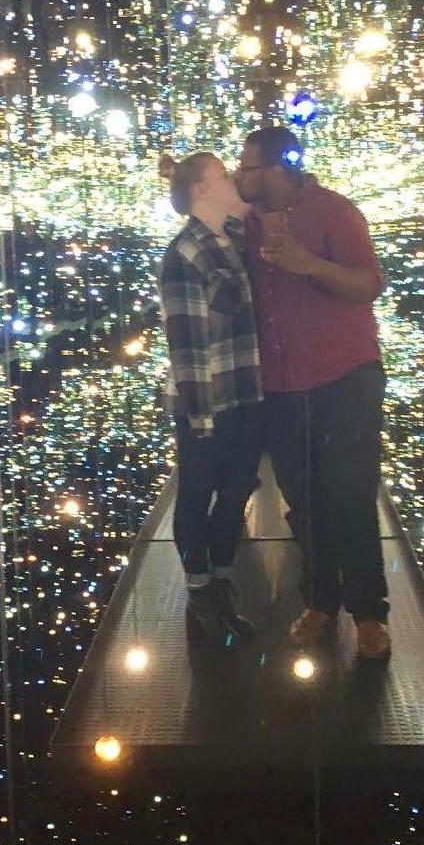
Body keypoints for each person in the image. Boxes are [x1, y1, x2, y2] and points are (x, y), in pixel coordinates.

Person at [235, 126, 391, 660]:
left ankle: (370, 614)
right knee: (303, 500)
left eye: (249, 166)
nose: (240, 175)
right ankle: (321, 602)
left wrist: (310, 265)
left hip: (346, 377)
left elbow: (370, 284)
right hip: (279, 385)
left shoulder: (333, 211)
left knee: (350, 494)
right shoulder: (242, 225)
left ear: (278, 169)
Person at [158, 151, 263, 642]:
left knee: (238, 488)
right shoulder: (183, 254)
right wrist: (200, 418)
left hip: (246, 391)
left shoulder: (233, 239)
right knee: (197, 493)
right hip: (209, 398)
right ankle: (199, 586)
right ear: (201, 189)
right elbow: (187, 345)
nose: (234, 180)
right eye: (223, 175)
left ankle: (221, 576)